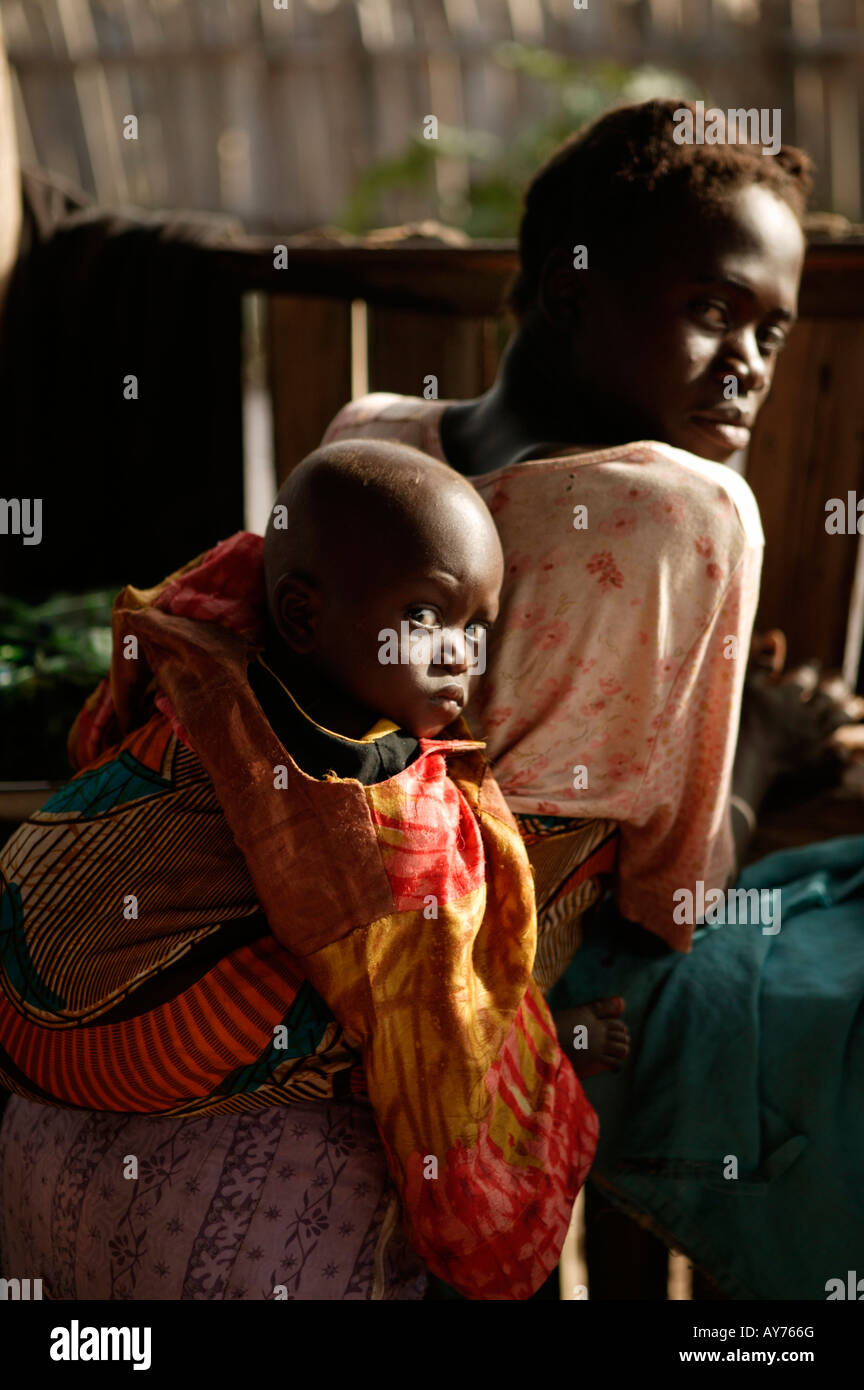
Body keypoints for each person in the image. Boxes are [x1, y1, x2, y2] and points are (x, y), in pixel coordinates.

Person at [319, 99, 864, 1297]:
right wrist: (769, 739)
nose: (751, 366)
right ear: (570, 287)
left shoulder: (371, 439)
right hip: (498, 990)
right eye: (713, 311)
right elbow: (675, 897)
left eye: (772, 333)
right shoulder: (687, 508)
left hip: (317, 943)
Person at [0, 439, 616, 1301]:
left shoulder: (208, 674)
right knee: (451, 979)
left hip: (33, 1079)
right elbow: (435, 1023)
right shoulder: (373, 793)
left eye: (479, 625)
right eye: (428, 616)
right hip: (142, 1060)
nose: (462, 655)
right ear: (299, 616)